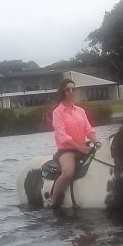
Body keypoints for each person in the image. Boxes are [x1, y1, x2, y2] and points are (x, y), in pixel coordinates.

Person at [48, 79, 99, 208]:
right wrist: (80, 148)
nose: (71, 92)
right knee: (68, 172)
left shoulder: (81, 111)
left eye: (73, 89)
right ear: (63, 92)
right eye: (67, 89)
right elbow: (62, 135)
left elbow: (88, 130)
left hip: (83, 147)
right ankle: (53, 200)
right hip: (66, 150)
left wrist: (97, 142)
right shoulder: (57, 112)